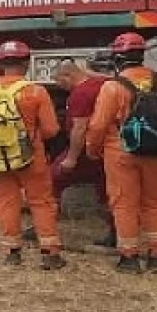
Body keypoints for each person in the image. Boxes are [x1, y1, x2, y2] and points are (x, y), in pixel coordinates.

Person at [86, 32, 157, 274]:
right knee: (154, 202)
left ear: (117, 57)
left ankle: (129, 257)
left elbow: (98, 125)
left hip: (121, 151)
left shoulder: (112, 87)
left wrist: (93, 150)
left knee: (124, 203)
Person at [0, 41, 67, 269]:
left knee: (5, 202)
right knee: (41, 202)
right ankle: (50, 253)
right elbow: (51, 129)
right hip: (31, 157)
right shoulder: (35, 91)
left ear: (0, 64)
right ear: (26, 63)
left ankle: (12, 252)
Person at [51, 61, 116, 246]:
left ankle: (44, 226)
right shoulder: (101, 84)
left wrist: (71, 158)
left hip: (87, 150)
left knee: (52, 179)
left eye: (59, 81)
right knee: (106, 191)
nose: (59, 86)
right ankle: (117, 231)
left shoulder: (80, 94)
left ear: (67, 76)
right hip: (107, 149)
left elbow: (79, 128)